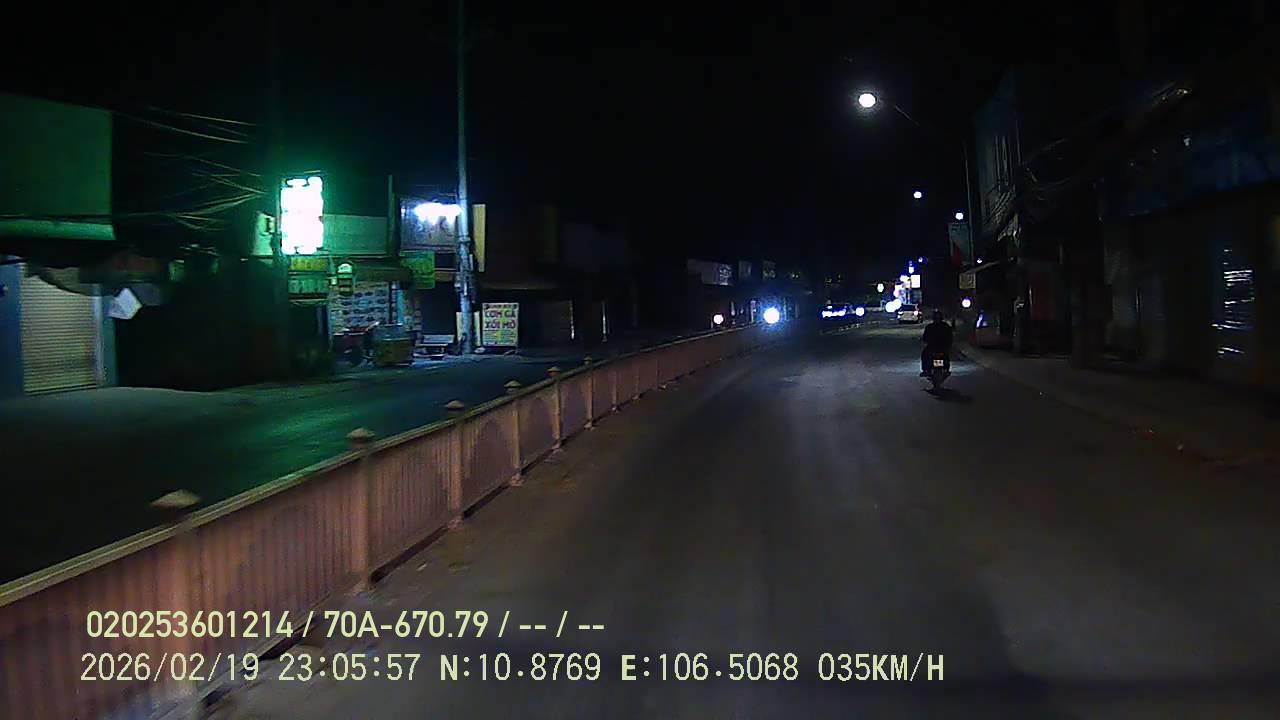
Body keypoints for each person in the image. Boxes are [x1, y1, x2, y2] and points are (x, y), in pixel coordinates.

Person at [920, 309, 953, 376]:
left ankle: (945, 369)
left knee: (946, 355)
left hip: (940, 347)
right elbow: (925, 337)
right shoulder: (931, 327)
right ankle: (926, 370)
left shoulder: (944, 326)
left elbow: (950, 337)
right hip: (933, 347)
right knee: (925, 354)